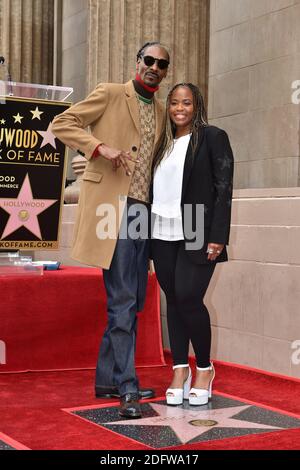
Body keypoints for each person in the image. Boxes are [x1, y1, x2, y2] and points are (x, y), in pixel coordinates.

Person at [52, 42, 170, 418]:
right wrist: (100, 148)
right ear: (138, 63)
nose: (154, 67)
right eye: (149, 60)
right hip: (112, 211)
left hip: (142, 214)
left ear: (165, 72)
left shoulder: (164, 110)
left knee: (131, 298)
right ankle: (127, 387)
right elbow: (62, 123)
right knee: (122, 300)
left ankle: (107, 379)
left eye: (161, 64)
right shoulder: (110, 93)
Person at [151, 83, 234, 406]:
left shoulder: (213, 137)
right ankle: (179, 369)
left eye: (186, 102)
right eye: (174, 103)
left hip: (198, 229)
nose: (179, 108)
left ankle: (204, 368)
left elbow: (223, 188)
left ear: (196, 105)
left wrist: (218, 235)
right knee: (172, 299)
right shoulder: (162, 143)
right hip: (159, 230)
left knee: (189, 296)